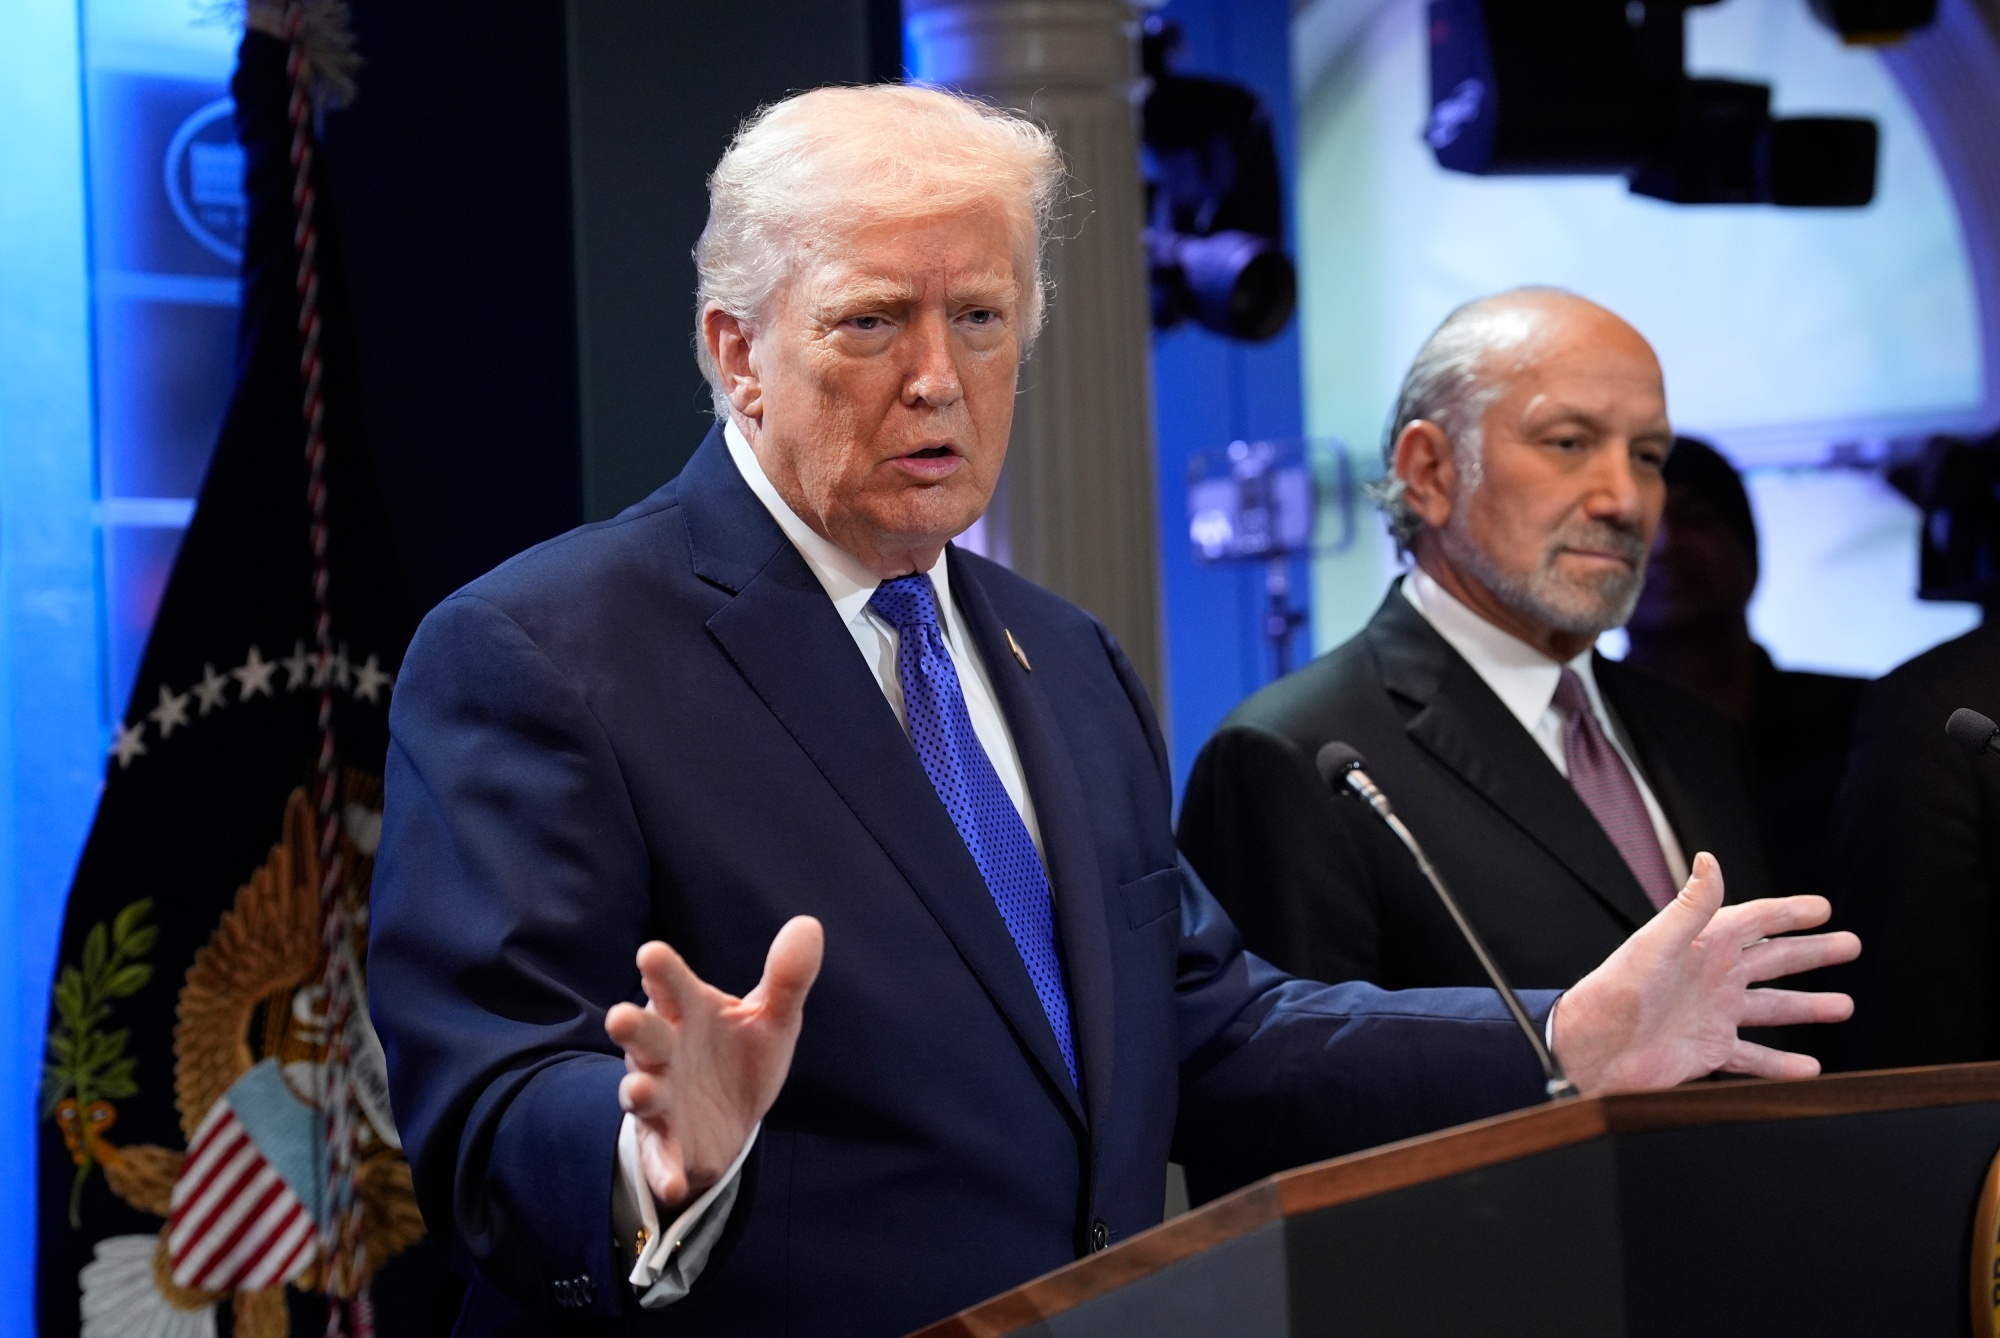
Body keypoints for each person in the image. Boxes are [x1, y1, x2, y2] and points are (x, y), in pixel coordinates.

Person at [368, 97, 1856, 1337]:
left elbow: (1215, 1030)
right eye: (874, 321)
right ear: (738, 352)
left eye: (983, 317)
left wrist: (1557, 1035)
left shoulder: (1059, 655)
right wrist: (650, 1152)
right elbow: (490, 1112)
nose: (938, 378)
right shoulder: (541, 650)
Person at [1179, 291, 1772, 994]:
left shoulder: (1696, 736)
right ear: (1430, 472)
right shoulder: (1294, 754)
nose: (1625, 499)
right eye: (1569, 443)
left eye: (1647, 455)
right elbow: (1287, 1080)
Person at [1623, 437, 1866, 901]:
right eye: (1640, 528)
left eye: (1696, 519)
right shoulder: (1583, 738)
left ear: (1748, 546)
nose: (1668, 546)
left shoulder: (1864, 721)